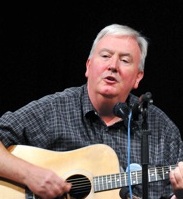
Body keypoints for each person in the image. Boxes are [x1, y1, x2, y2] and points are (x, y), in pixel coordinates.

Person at [0, 23, 182, 199]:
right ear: (88, 66)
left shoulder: (162, 130)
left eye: (125, 60)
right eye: (105, 56)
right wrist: (29, 174)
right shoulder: (54, 110)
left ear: (137, 77)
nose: (113, 66)